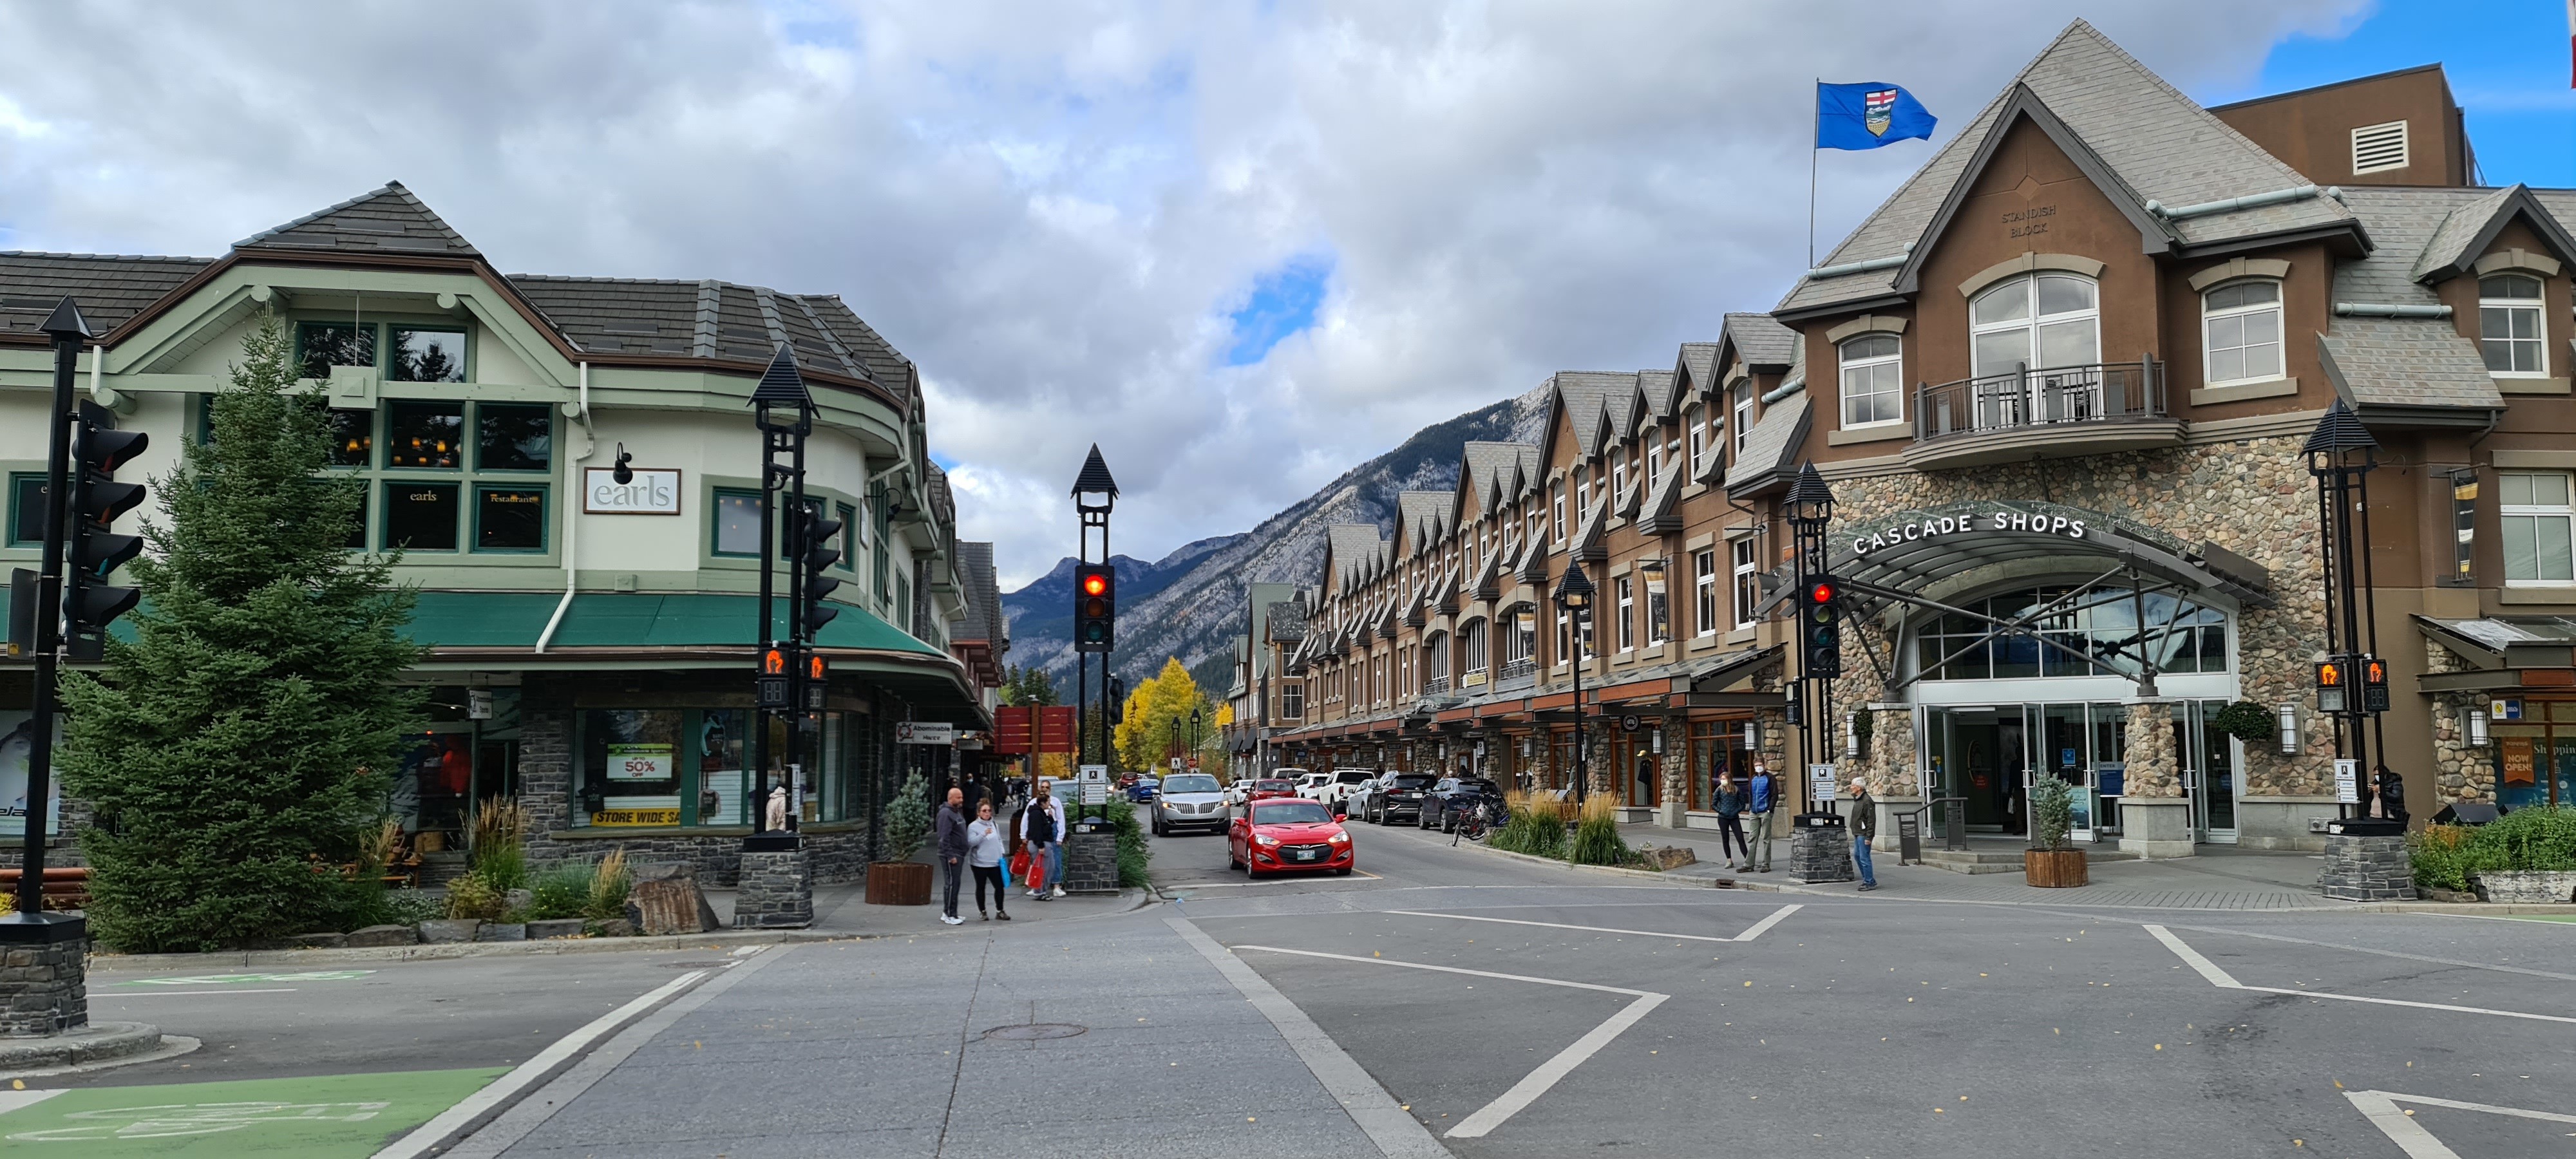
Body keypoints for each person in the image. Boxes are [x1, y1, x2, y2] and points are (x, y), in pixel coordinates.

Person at [967, 800, 1010, 921]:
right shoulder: (973, 826)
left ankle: (1000, 910)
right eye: (984, 811)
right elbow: (971, 843)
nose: (987, 813)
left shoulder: (994, 824)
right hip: (979, 863)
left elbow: (999, 839)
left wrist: (1001, 852)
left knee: (999, 886)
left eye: (989, 811)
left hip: (995, 862)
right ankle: (983, 911)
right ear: (978, 813)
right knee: (981, 887)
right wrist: (983, 835)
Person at [1018, 782, 1060, 901]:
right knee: (1043, 869)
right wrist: (1041, 845)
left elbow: (1046, 827)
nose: (1049, 805)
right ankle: (1039, 892)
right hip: (1040, 844)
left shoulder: (1041, 814)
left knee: (1049, 868)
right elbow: (1037, 831)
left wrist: (1050, 818)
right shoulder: (1036, 814)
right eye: (1048, 803)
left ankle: (1041, 891)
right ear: (1043, 803)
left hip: (1044, 843)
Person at [934, 787, 970, 924]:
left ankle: (953, 913)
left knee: (956, 883)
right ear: (950, 798)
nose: (961, 800)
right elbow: (943, 837)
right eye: (958, 797)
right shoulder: (945, 814)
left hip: (959, 852)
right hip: (950, 854)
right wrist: (950, 855)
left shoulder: (956, 813)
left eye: (961, 797)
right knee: (950, 883)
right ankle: (949, 914)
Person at [1711, 773, 1750, 869]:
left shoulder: (1736, 790)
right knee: (1725, 839)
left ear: (1729, 779)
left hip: (1734, 818)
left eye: (1724, 779)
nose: (1722, 780)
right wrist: (1721, 811)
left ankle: (1748, 860)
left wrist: (1736, 811)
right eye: (1721, 779)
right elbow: (1714, 804)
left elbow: (1742, 804)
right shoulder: (1719, 790)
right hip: (1723, 818)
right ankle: (1729, 860)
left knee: (1740, 838)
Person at [1848, 777, 1879, 892]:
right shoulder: (1858, 799)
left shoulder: (1867, 800)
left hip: (1863, 834)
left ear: (1859, 788)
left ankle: (1869, 881)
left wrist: (1869, 837)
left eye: (1853, 785)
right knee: (1857, 856)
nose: (1851, 788)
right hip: (1858, 832)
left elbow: (1871, 820)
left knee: (1864, 858)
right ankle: (1868, 878)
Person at [1745, 763, 1775, 873]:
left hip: (1765, 811)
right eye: (1756, 765)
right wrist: (1751, 807)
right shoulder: (1753, 778)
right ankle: (1749, 864)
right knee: (1752, 837)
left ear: (1764, 765)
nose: (1758, 767)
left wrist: (1770, 809)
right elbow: (1751, 794)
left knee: (1766, 838)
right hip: (1754, 811)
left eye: (1760, 765)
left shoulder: (1770, 778)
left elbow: (1774, 794)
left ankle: (1766, 863)